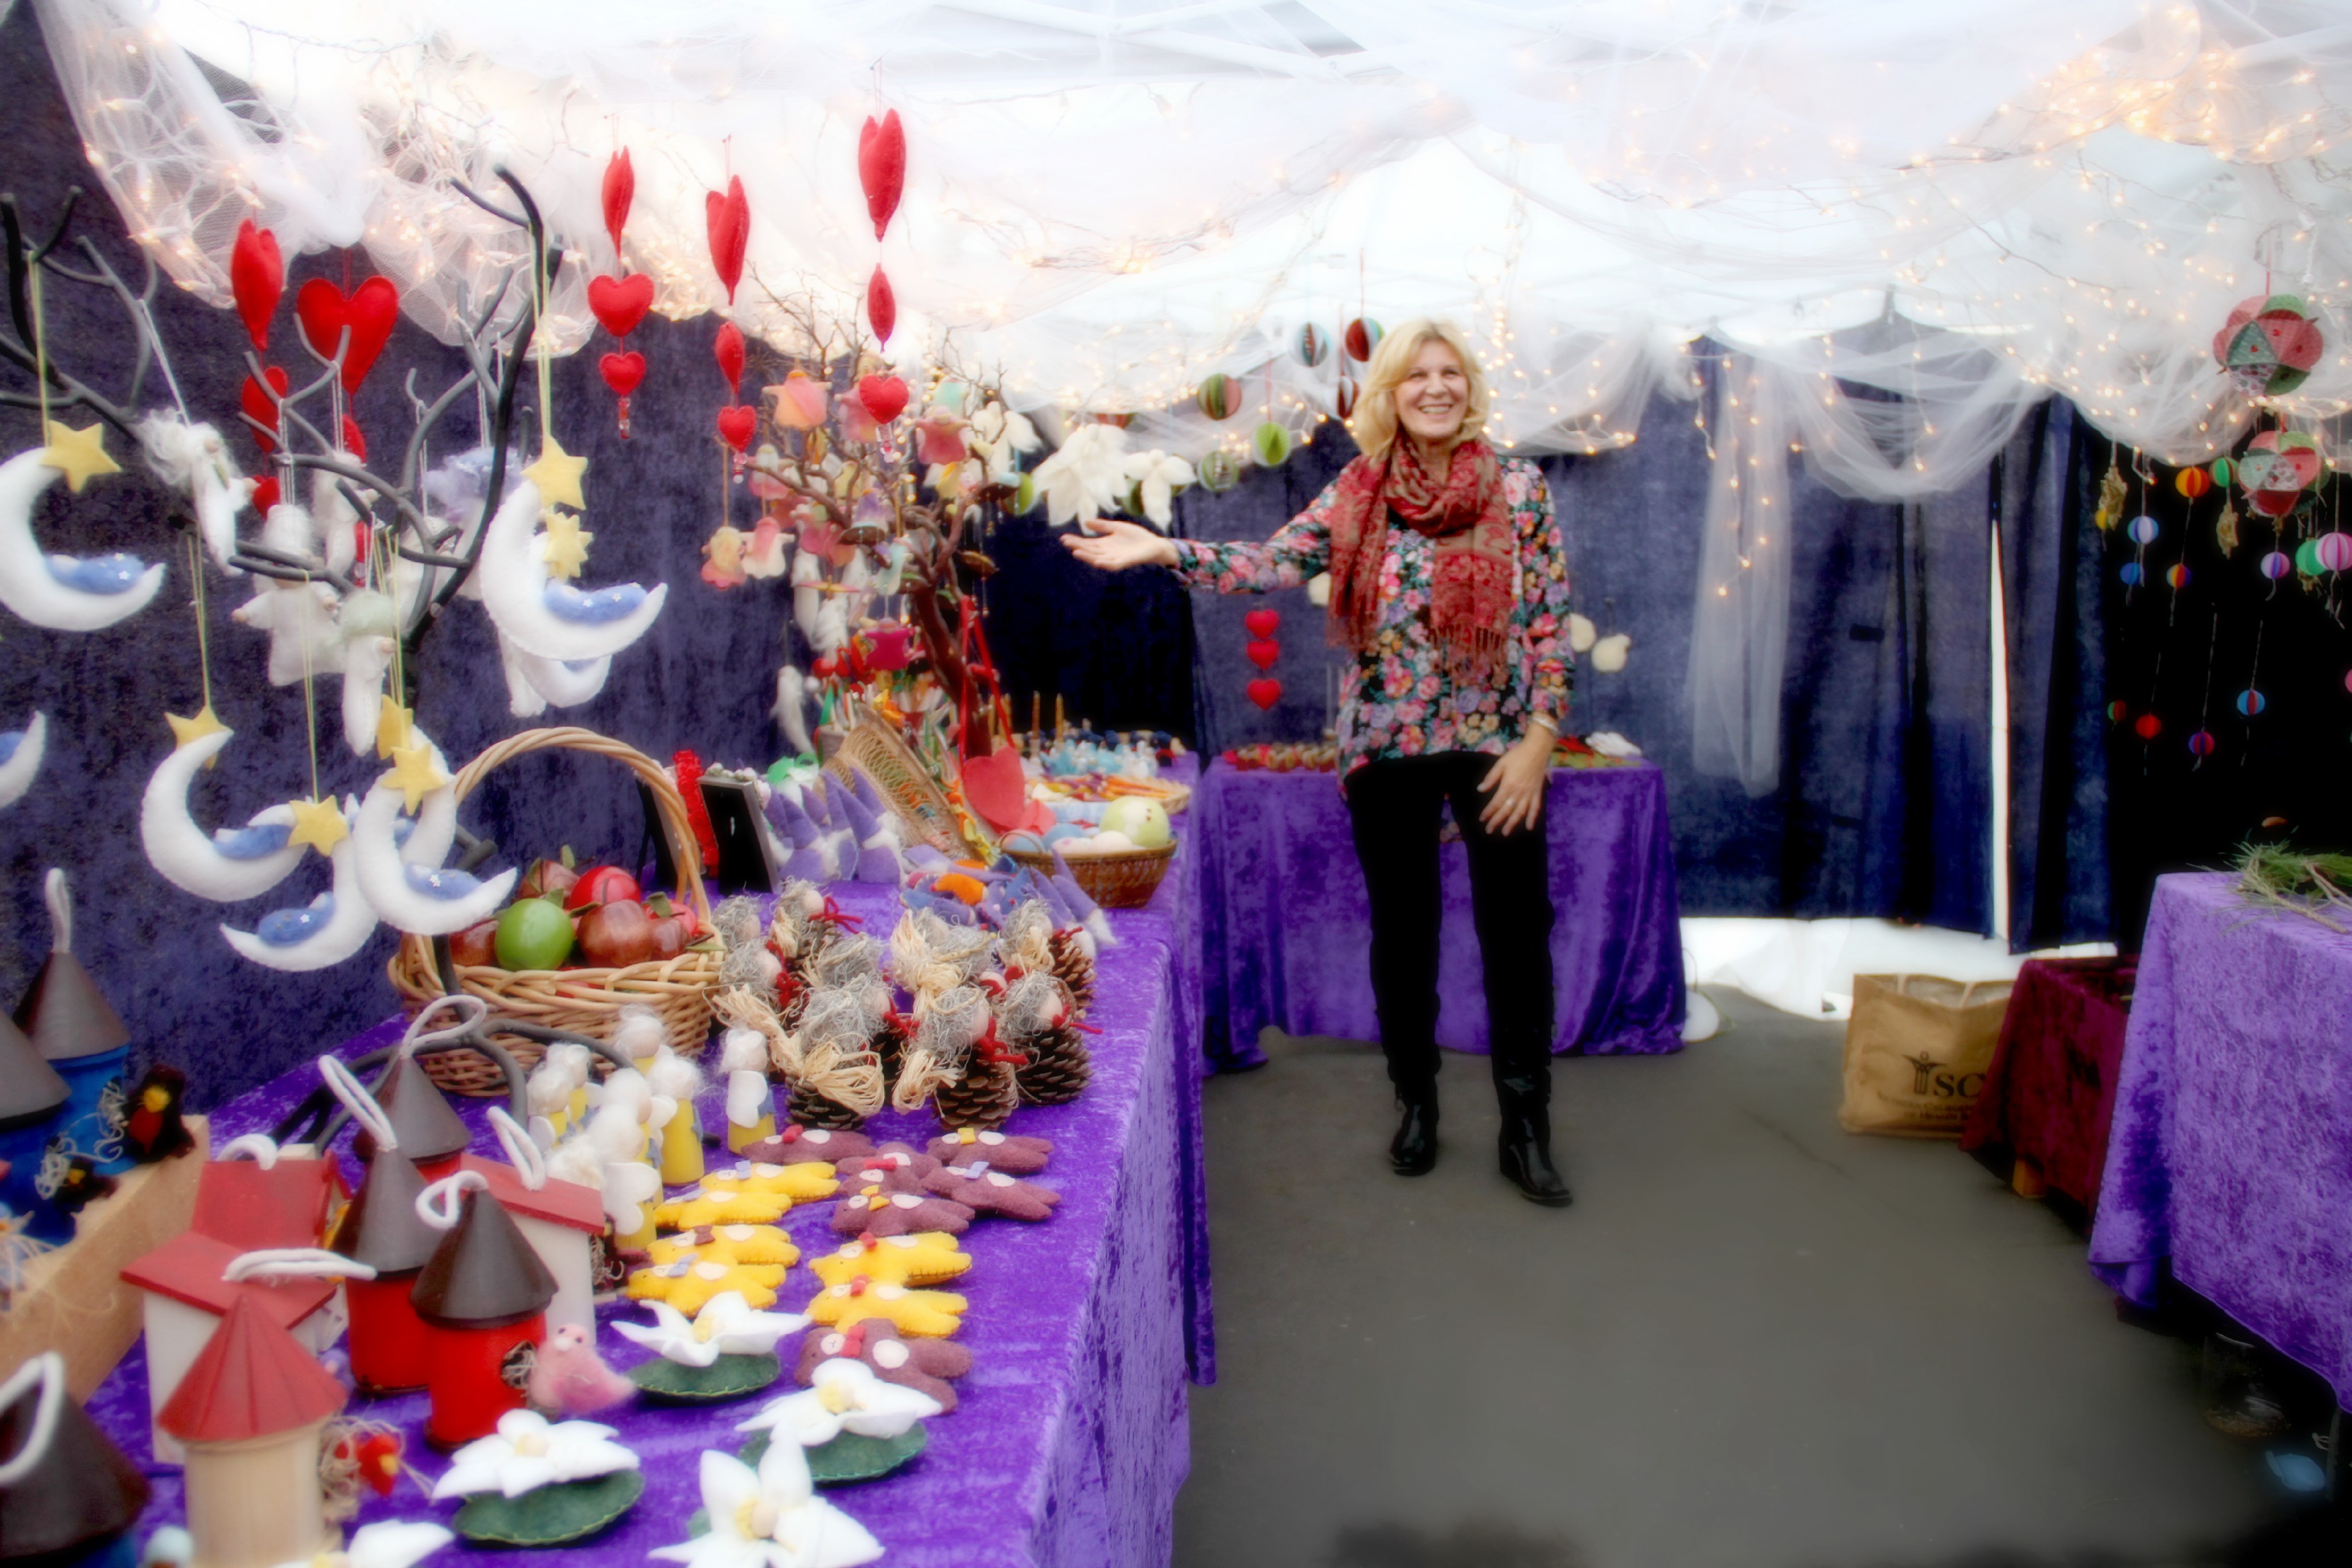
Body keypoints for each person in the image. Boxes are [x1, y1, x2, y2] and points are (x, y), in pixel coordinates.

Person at [1063, 319, 1574, 1206]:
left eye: (1452, 372)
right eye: (1418, 375)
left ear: (1472, 385)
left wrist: (1538, 742)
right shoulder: (1360, 489)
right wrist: (1163, 549)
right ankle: (1416, 1099)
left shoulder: (1518, 487)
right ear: (1391, 392)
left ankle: (1525, 1124)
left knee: (1516, 934)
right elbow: (1270, 561)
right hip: (1386, 740)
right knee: (1405, 935)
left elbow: (1547, 625)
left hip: (1498, 743)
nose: (1437, 387)